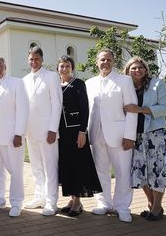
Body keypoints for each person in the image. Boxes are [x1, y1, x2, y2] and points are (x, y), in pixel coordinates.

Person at [85, 48, 138, 223]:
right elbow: (88, 111)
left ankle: (122, 206)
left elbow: (131, 110)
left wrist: (130, 135)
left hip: (119, 135)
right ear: (96, 62)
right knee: (100, 170)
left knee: (123, 172)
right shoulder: (89, 83)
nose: (105, 63)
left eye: (108, 59)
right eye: (102, 60)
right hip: (96, 134)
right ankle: (103, 203)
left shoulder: (124, 81)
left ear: (113, 61)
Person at [123, 56, 166, 221]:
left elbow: (165, 108)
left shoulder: (157, 84)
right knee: (140, 171)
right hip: (135, 135)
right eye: (133, 68)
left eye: (140, 67)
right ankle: (152, 204)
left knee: (157, 171)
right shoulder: (126, 86)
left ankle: (157, 208)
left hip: (156, 133)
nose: (137, 70)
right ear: (128, 71)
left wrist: (139, 109)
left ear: (145, 69)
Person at [0, 56, 30, 217]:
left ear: (5, 66)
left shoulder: (17, 83)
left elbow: (23, 110)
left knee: (15, 170)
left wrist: (19, 133)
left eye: (0, 65)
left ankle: (16, 202)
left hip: (11, 135)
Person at [57, 55, 102, 217]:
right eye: (61, 66)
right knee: (66, 165)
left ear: (72, 67)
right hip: (61, 133)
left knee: (77, 165)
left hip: (76, 131)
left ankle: (78, 202)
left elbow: (85, 108)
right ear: (58, 68)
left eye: (67, 65)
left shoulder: (78, 84)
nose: (64, 68)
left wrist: (83, 131)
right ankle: (72, 198)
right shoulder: (56, 85)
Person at [22, 46, 62, 216]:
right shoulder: (23, 80)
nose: (34, 61)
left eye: (36, 58)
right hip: (30, 132)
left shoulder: (52, 77)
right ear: (28, 60)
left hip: (48, 132)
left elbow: (57, 104)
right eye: (31, 59)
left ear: (42, 59)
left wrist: (53, 129)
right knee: (36, 167)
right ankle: (40, 197)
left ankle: (52, 201)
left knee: (50, 167)